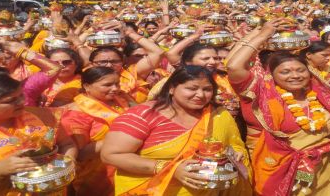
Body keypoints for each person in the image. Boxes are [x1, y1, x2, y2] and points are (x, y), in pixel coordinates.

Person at [226, 20, 330, 196]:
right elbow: (233, 66)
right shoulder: (261, 96)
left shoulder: (323, 97)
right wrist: (262, 33)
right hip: (276, 171)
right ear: (272, 75)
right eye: (285, 72)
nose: (295, 76)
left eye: (300, 70)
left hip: (326, 172)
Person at [101, 66, 252, 195]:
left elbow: (235, 146)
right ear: (172, 88)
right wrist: (170, 169)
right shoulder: (143, 115)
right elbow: (111, 155)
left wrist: (235, 156)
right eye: (191, 88)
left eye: (207, 89)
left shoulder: (218, 114)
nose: (200, 95)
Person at [62, 67, 131, 196]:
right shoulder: (75, 114)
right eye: (108, 85)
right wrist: (123, 138)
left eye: (117, 83)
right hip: (98, 177)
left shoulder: (121, 101)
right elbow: (80, 154)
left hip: (129, 170)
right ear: (87, 86)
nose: (115, 88)